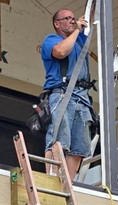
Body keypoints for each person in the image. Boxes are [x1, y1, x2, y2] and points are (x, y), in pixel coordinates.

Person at [41, 9, 95, 178]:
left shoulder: (78, 40)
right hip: (62, 94)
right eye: (67, 18)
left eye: (73, 18)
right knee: (58, 139)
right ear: (57, 23)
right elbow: (60, 52)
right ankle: (52, 179)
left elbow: (92, 15)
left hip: (82, 98)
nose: (72, 20)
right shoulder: (51, 40)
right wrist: (77, 29)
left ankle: (67, 184)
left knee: (79, 147)